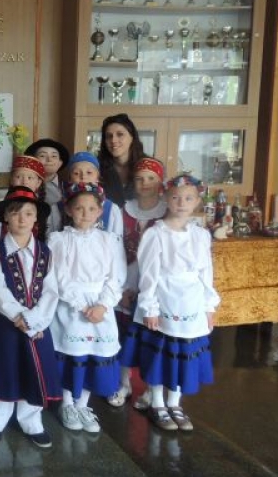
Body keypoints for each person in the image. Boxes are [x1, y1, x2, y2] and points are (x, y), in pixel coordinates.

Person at [123, 175, 219, 432]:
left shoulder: (201, 235)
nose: (181, 203)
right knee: (159, 355)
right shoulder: (156, 234)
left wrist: (209, 306)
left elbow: (206, 273)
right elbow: (149, 274)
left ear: (197, 201)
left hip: (191, 303)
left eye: (188, 198)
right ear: (166, 198)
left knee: (183, 355)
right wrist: (149, 307)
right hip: (164, 299)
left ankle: (174, 402)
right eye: (175, 197)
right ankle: (157, 402)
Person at [0, 187, 61, 448]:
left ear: (36, 219)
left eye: (29, 213)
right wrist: (18, 316)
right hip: (5, 324)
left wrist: (36, 321)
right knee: (4, 369)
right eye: (15, 213)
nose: (22, 219)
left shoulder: (45, 252)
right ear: (6, 217)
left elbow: (51, 290)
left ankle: (31, 420)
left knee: (33, 370)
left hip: (37, 325)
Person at [49, 182, 126, 433]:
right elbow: (58, 277)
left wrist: (103, 305)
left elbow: (116, 277)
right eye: (79, 208)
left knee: (94, 354)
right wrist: (82, 305)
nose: (85, 213)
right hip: (71, 306)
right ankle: (67, 403)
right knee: (73, 354)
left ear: (100, 211)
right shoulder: (58, 240)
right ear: (68, 210)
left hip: (101, 307)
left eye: (92, 208)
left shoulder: (109, 240)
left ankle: (83, 404)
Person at [111, 158, 167, 409]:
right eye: (139, 178)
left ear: (160, 182)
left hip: (156, 288)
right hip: (126, 280)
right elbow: (113, 250)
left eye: (151, 178)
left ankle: (151, 390)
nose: (145, 183)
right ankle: (123, 383)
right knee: (124, 338)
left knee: (153, 341)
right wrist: (121, 289)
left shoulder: (167, 212)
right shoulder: (123, 210)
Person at [61, 151, 124, 237]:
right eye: (76, 173)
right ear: (69, 179)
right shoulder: (58, 207)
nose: (83, 177)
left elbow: (117, 240)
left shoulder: (112, 209)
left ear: (98, 177)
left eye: (89, 172)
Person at [97, 114, 146, 207]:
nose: (113, 140)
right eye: (109, 136)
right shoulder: (96, 168)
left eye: (120, 134)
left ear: (132, 137)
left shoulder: (148, 166)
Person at [24, 139, 70, 207]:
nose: (49, 160)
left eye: (54, 156)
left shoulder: (69, 188)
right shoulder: (25, 186)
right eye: (42, 156)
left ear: (60, 163)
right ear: (33, 161)